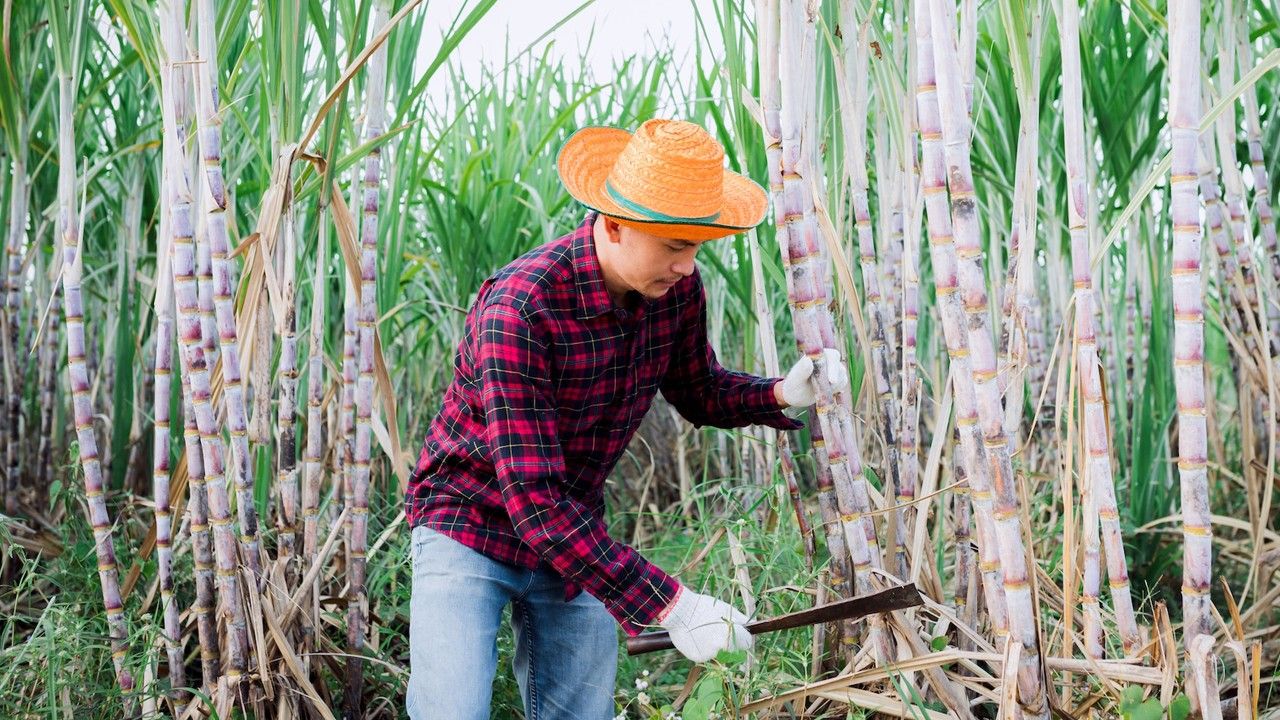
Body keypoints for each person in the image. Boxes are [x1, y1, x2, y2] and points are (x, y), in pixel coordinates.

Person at [404, 118, 844, 719]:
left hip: (573, 528)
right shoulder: (521, 308)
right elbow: (533, 502)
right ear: (613, 225)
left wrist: (780, 395)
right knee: (451, 711)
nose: (688, 266)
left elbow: (700, 391)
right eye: (673, 246)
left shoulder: (676, 292)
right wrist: (673, 604)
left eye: (696, 246)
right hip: (469, 522)